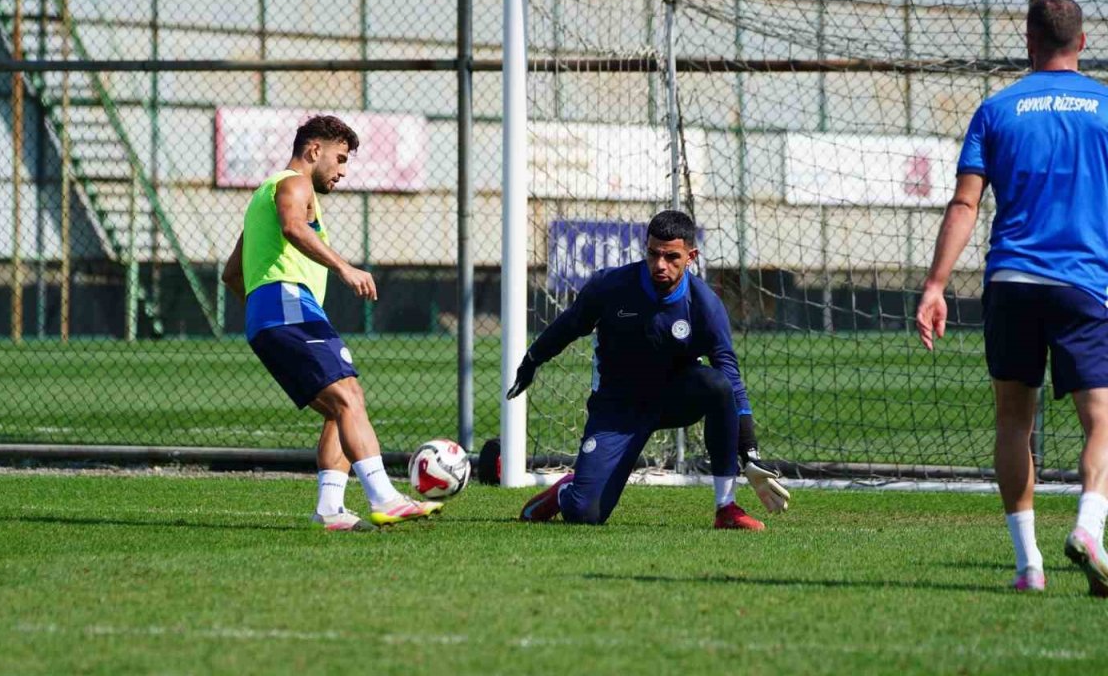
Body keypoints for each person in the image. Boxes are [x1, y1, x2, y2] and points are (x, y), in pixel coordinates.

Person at [916, 0, 1108, 595]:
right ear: (1082, 42)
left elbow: (965, 203)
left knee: (1013, 420)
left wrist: (936, 285)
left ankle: (1029, 567)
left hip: (1011, 282)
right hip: (1084, 283)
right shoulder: (1105, 108)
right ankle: (1089, 527)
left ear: (1028, 42)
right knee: (1101, 420)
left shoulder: (997, 108)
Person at [221, 114, 442, 532]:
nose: (342, 171)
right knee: (348, 398)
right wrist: (343, 267)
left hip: (271, 313)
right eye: (339, 159)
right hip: (288, 305)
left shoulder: (264, 197)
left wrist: (260, 310)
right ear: (314, 150)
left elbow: (232, 274)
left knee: (342, 405)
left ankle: (329, 509)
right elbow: (293, 227)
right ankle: (385, 498)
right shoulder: (294, 184)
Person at [506, 210, 790, 528]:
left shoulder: (704, 304)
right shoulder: (611, 286)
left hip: (672, 400)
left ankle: (726, 508)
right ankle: (566, 492)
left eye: (672, 257)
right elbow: (568, 326)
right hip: (617, 408)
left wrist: (749, 453)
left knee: (718, 385)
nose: (660, 265)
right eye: (654, 254)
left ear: (691, 257)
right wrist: (531, 361)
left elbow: (731, 377)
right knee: (585, 515)